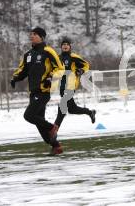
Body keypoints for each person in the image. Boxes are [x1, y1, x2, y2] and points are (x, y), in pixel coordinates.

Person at [11, 27, 65, 155]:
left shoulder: (48, 51)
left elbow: (60, 69)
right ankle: (56, 147)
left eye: (35, 34)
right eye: (31, 34)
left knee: (29, 116)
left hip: (43, 91)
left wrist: (51, 78)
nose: (32, 36)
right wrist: (15, 78)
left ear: (42, 37)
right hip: (33, 92)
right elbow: (22, 70)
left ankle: (52, 127)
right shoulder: (28, 55)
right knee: (39, 122)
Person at [54, 37, 96, 127]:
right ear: (61, 47)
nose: (65, 46)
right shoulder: (58, 58)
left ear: (70, 47)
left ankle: (54, 128)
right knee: (72, 109)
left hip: (70, 85)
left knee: (62, 106)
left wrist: (81, 71)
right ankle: (90, 112)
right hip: (61, 86)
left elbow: (86, 65)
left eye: (67, 45)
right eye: (63, 45)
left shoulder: (73, 57)